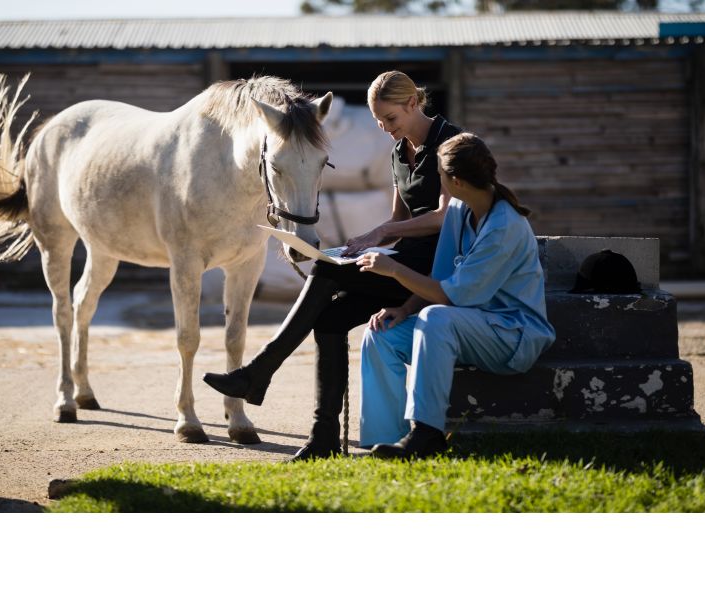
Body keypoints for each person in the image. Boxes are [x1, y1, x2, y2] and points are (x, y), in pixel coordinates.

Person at [203, 70, 462, 461]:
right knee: (329, 319)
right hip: (403, 260)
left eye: (390, 119)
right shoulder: (397, 153)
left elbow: (445, 216)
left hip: (435, 270)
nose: (385, 129)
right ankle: (322, 437)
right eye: (378, 122)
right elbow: (397, 221)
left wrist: (379, 233)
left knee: (323, 273)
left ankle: (260, 370)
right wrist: (360, 246)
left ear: (413, 103)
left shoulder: (449, 142)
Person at [355, 132, 556, 459]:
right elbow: (440, 277)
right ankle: (387, 439)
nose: (438, 181)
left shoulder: (504, 227)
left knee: (437, 317)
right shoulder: (459, 210)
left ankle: (427, 434)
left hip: (513, 336)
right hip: (467, 327)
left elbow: (451, 297)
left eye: (440, 174)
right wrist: (405, 309)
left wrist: (393, 269)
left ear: (457, 181)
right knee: (381, 334)